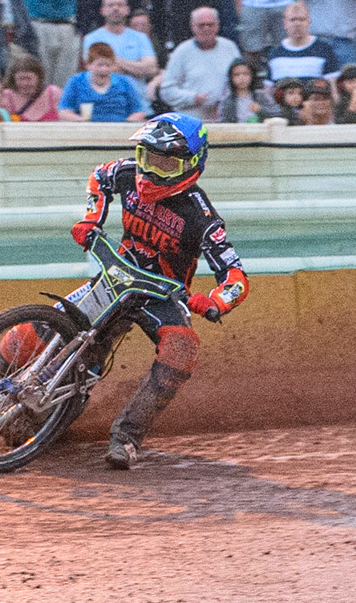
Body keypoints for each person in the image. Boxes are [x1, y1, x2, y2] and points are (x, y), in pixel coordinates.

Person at [14, 114, 248, 468]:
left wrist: (215, 301)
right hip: (117, 276)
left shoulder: (202, 217)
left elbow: (235, 275)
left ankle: (126, 436)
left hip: (160, 294)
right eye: (147, 158)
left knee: (182, 347)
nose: (152, 171)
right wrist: (91, 218)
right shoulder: (128, 173)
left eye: (165, 163)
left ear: (191, 165)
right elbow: (99, 176)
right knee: (52, 322)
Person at [157, 7, 239, 121]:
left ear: (218, 26)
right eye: (201, 25)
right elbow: (166, 91)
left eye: (210, 25)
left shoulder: (230, 48)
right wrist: (193, 98)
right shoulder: (182, 51)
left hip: (225, 118)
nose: (206, 28)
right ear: (193, 27)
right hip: (190, 119)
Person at [59, 42, 150, 122]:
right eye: (100, 65)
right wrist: (81, 120)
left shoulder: (124, 82)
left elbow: (138, 112)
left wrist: (126, 123)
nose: (104, 69)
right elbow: (64, 111)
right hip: (86, 130)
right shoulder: (75, 81)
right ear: (88, 65)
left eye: (108, 65)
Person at [80, 0, 156, 81]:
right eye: (110, 5)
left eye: (120, 5)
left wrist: (116, 61)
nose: (115, 8)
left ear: (127, 10)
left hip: (136, 92)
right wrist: (136, 67)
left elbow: (151, 68)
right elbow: (92, 69)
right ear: (102, 11)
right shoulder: (92, 38)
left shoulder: (141, 38)